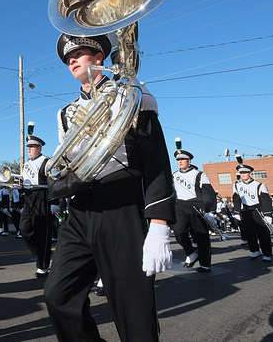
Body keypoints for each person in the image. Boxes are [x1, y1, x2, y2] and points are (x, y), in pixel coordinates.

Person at [44, 32, 176, 342]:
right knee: (58, 296)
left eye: (79, 53)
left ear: (99, 58)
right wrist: (60, 183)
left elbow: (155, 160)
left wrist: (159, 224)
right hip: (80, 209)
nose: (72, 60)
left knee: (133, 309)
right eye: (68, 58)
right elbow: (64, 164)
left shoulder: (132, 96)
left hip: (122, 205)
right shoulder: (65, 113)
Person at [172, 143, 216, 273]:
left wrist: (209, 211)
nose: (180, 162)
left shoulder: (200, 175)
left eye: (182, 159)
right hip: (180, 206)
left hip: (196, 207)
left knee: (201, 236)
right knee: (179, 231)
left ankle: (205, 263)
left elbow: (208, 193)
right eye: (178, 160)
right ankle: (191, 253)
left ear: (189, 161)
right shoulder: (174, 175)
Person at [19, 130, 52, 277]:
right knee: (24, 229)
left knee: (42, 232)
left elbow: (53, 182)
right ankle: (40, 254)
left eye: (32, 147)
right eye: (28, 147)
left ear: (39, 148)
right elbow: (25, 182)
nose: (29, 149)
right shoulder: (26, 164)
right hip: (29, 197)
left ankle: (43, 265)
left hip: (42, 197)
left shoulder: (46, 161)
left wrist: (55, 202)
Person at [232, 157, 273, 261]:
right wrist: (236, 212)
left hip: (258, 209)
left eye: (245, 172)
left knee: (263, 232)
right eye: (241, 173)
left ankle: (267, 253)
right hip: (246, 210)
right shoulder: (237, 185)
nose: (243, 175)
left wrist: (268, 214)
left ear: (250, 173)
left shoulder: (259, 185)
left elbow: (266, 200)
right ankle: (255, 250)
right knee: (249, 232)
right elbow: (236, 199)